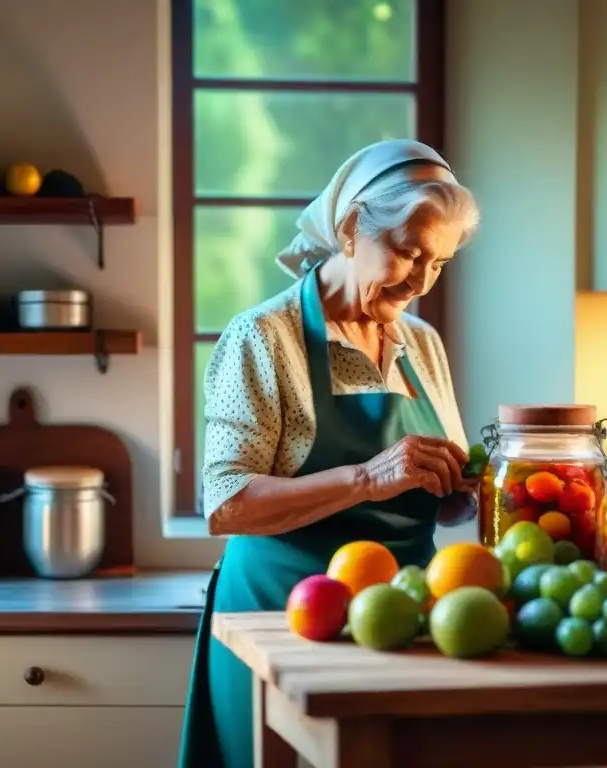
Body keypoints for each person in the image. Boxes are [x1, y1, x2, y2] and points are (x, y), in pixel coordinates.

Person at [178, 139, 481, 768]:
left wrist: (460, 488)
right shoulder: (262, 337)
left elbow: (433, 497)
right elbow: (227, 505)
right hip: (280, 625)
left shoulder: (421, 344)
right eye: (407, 252)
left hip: (398, 625)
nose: (422, 280)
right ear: (350, 230)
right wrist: (368, 477)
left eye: (441, 263)